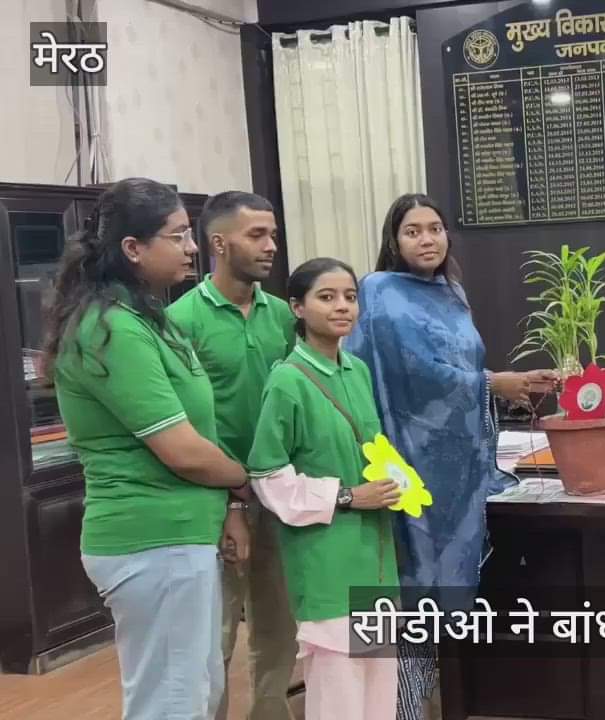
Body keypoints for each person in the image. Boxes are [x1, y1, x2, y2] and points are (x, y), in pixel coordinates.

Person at [344, 194, 557, 720]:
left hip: (456, 465)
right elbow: (417, 374)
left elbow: (457, 369)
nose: (427, 239)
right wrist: (492, 382)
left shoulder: (451, 292)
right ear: (394, 240)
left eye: (435, 228)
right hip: (403, 460)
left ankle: (426, 703)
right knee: (401, 591)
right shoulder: (380, 293)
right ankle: (394, 710)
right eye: (413, 230)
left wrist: (505, 386)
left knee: (437, 598)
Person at [46, 177, 250, 719]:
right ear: (133, 249)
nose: (192, 248)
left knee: (199, 693)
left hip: (182, 535)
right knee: (171, 703)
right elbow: (182, 449)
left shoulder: (148, 318)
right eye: (179, 235)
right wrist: (251, 478)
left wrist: (230, 501)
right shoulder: (108, 328)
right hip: (151, 539)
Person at [247, 257, 401, 720]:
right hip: (325, 558)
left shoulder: (356, 369)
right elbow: (267, 477)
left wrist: (400, 483)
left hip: (376, 555)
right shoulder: (288, 381)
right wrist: (349, 495)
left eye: (350, 297)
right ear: (296, 307)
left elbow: (369, 450)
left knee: (380, 688)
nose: (343, 308)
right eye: (327, 297)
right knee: (339, 694)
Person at [167, 191, 299, 720]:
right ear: (218, 244)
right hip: (214, 505)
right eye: (257, 235)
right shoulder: (179, 321)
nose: (271, 246)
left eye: (272, 234)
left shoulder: (284, 316)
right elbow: (183, 428)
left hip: (280, 497)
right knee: (213, 639)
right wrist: (231, 505)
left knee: (278, 630)